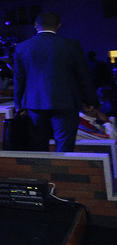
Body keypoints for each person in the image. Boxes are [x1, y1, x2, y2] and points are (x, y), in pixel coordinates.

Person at [14, 12, 93, 152]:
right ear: (59, 25)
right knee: (65, 144)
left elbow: (19, 78)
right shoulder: (71, 45)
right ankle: (62, 166)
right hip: (66, 101)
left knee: (38, 144)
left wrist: (18, 104)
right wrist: (89, 100)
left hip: (35, 101)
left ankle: (42, 166)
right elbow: (83, 75)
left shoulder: (22, 47)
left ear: (35, 25)